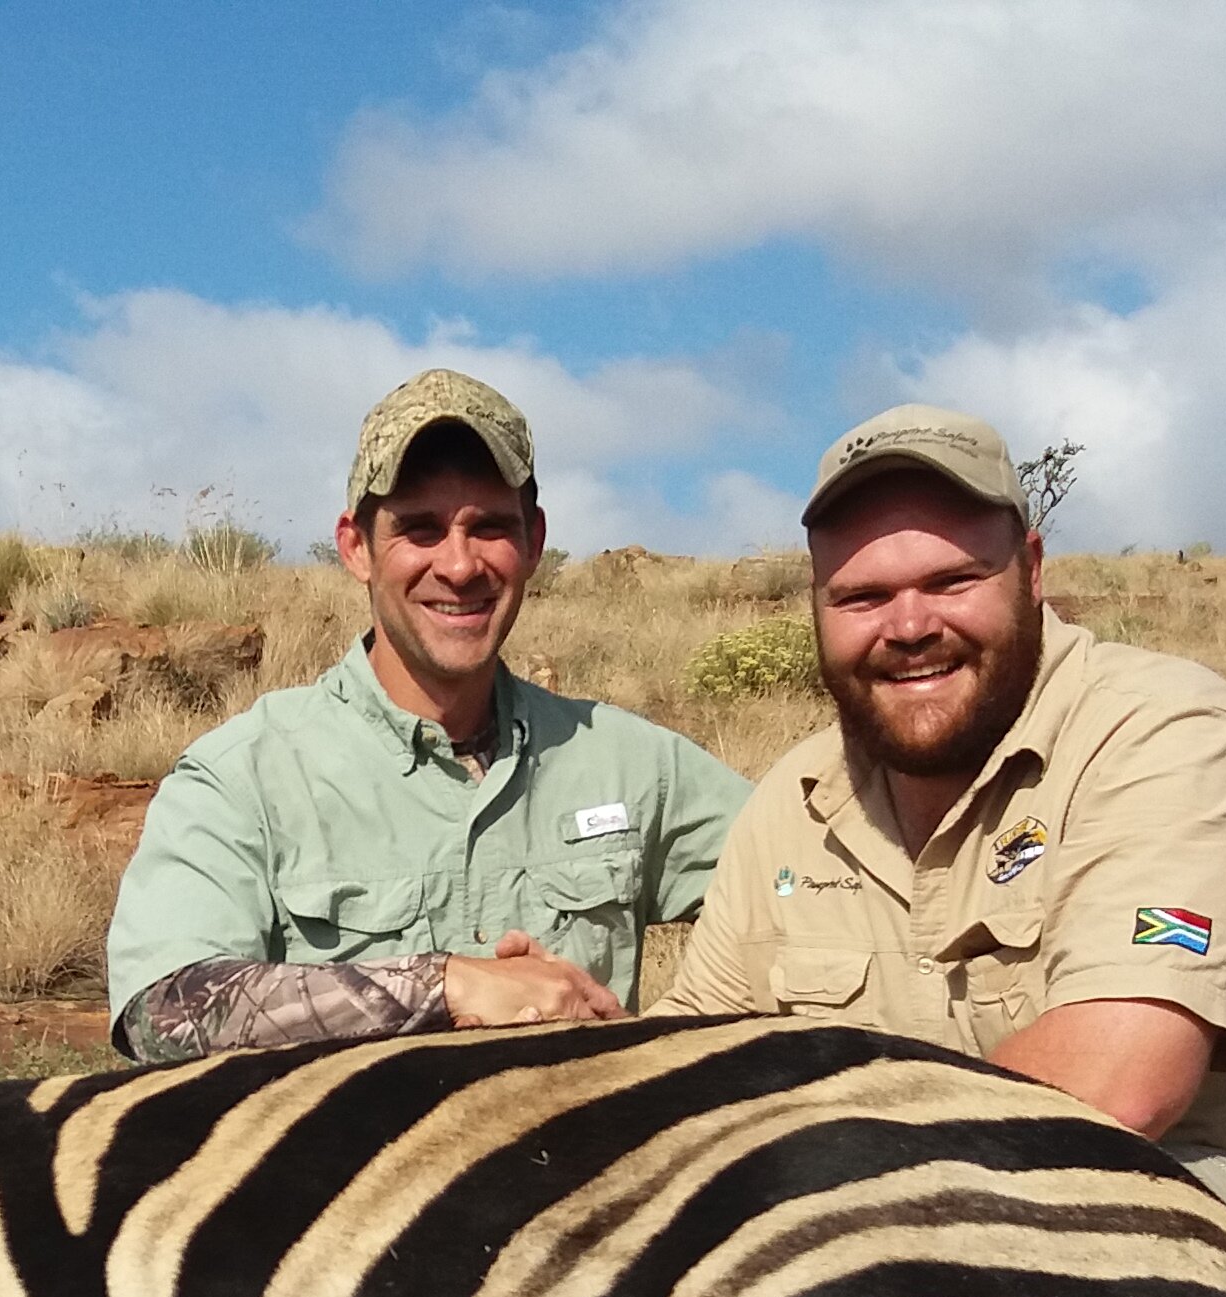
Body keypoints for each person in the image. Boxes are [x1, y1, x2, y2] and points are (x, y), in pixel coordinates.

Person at [662, 405, 1226, 1297]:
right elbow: (688, 1075)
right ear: (818, 613)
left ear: (1031, 571)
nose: (909, 627)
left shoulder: (1172, 736)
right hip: (895, 1231)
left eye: (952, 581)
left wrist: (798, 1208)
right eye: (862, 596)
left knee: (1048, 1262)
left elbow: (1115, 1088)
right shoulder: (795, 799)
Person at [105, 369, 747, 1063]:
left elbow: (807, 876)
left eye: (490, 528)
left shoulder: (631, 762)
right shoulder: (245, 777)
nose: (461, 565)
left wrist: (680, 1042)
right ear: (356, 548)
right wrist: (446, 987)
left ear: (533, 542)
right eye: (421, 530)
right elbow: (162, 1012)